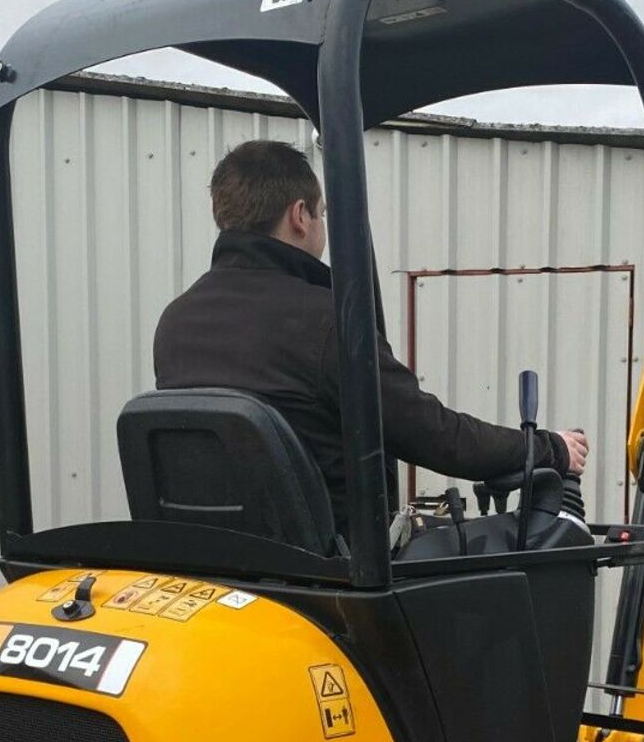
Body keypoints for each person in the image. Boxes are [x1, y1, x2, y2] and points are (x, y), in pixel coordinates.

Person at [154, 139, 588, 534]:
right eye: (322, 213)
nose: (321, 224)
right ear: (300, 215)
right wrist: (546, 448)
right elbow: (429, 434)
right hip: (327, 576)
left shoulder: (174, 324)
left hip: (217, 566)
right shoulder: (325, 322)